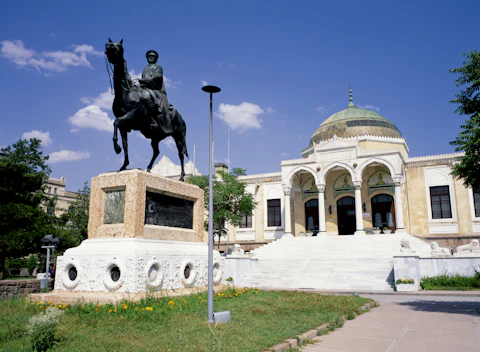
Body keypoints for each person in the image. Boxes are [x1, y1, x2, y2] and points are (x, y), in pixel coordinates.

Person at [138, 50, 173, 133]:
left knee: (146, 96)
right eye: (149, 56)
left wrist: (145, 81)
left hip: (156, 90)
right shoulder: (145, 68)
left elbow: (157, 79)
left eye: (153, 56)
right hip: (145, 88)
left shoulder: (158, 67)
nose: (150, 57)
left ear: (156, 59)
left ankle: (154, 120)